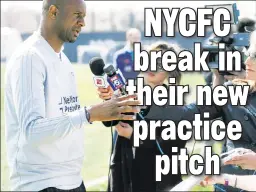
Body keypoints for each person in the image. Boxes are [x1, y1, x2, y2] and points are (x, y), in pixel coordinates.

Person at [4, 0, 141, 191]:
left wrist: (106, 108)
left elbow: (64, 114)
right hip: (42, 184)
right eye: (77, 15)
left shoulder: (64, 60)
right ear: (53, 11)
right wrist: (90, 113)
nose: (83, 23)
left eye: (84, 17)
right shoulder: (30, 57)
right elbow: (32, 131)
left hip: (73, 180)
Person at [142, 30, 256, 192]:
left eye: (255, 56)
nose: (248, 61)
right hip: (228, 186)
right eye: (248, 53)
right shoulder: (230, 91)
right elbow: (186, 114)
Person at [98, 42, 186, 192]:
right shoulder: (127, 90)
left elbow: (174, 146)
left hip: (155, 179)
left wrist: (133, 135)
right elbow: (109, 122)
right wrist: (108, 102)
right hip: (124, 171)